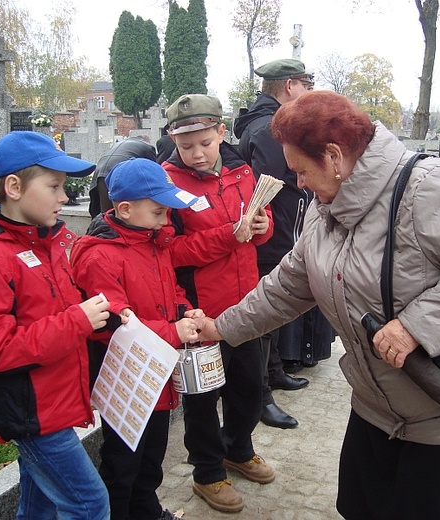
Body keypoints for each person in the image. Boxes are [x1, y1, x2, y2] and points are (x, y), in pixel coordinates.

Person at [197, 91, 440, 520]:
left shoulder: (427, 189)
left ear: (334, 157)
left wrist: (414, 326)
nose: (297, 182)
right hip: (378, 407)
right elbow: (286, 286)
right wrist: (220, 328)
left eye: (300, 169)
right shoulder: (325, 207)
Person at [0, 131, 112, 519]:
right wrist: (77, 320)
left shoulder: (42, 244)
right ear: (15, 187)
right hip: (30, 411)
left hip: (51, 402)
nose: (64, 197)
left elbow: (55, 309)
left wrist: (98, 315)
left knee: (38, 505)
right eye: (54, 186)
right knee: (88, 503)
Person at [70, 158, 202, 520]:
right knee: (122, 461)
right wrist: (171, 332)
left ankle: (146, 509)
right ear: (125, 209)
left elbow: (168, 288)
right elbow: (115, 320)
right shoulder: (99, 255)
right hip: (126, 377)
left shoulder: (152, 240)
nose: (167, 220)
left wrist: (183, 309)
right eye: (160, 212)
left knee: (152, 456)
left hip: (156, 371)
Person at [161, 94, 275, 513]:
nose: (196, 153)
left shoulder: (242, 170)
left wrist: (262, 226)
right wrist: (229, 234)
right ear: (173, 138)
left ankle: (238, 448)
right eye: (186, 144)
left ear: (221, 133)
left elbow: (257, 230)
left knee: (249, 387)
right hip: (199, 310)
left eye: (204, 142)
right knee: (203, 396)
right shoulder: (167, 183)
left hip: (244, 306)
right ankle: (207, 471)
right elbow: (169, 251)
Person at [234, 57, 324, 429]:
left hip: (280, 232)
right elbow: (269, 191)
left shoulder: (270, 122)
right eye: (306, 84)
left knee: (269, 313)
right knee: (265, 313)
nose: (308, 92)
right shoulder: (270, 128)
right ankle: (261, 397)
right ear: (289, 86)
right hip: (271, 236)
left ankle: (271, 374)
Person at [88, 136, 157, 218]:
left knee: (101, 214)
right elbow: (153, 173)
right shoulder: (148, 147)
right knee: (115, 216)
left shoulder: (119, 144)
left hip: (100, 171)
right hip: (119, 172)